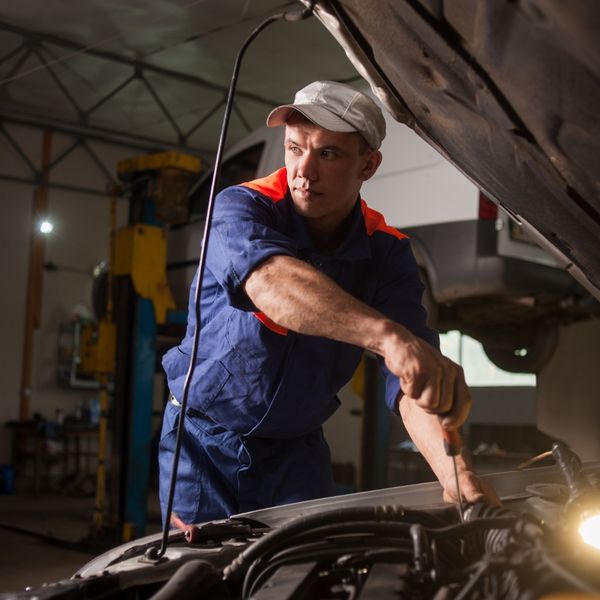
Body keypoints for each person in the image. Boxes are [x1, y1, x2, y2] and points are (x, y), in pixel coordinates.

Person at [159, 80, 499, 525]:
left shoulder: (387, 252)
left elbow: (410, 379)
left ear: (368, 166)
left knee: (308, 576)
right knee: (199, 579)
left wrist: (457, 475)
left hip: (295, 452)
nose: (305, 170)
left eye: (328, 154)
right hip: (203, 442)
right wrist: (387, 336)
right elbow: (271, 284)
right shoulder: (240, 206)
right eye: (295, 148)